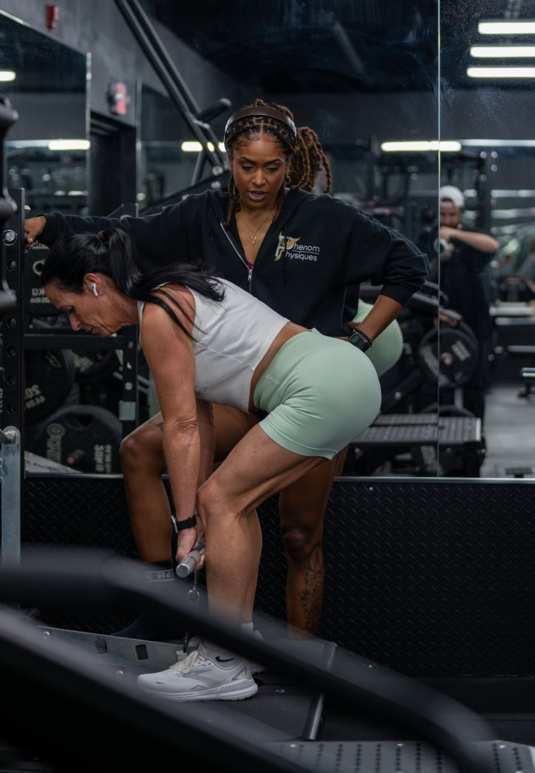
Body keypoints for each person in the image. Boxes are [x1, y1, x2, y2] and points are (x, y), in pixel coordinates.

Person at [25, 101, 426, 637]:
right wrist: (47, 224)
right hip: (245, 394)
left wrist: (359, 338)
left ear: (290, 163)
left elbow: (408, 265)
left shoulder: (325, 219)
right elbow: (120, 234)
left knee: (300, 535)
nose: (258, 180)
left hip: (308, 383)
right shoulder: (200, 216)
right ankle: (168, 605)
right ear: (228, 161)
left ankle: (295, 667)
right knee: (142, 452)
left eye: (271, 167)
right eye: (246, 165)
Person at [41, 227, 383, 701]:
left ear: (95, 284)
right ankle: (238, 643)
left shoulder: (160, 314)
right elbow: (197, 423)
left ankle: (223, 662)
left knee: (220, 501)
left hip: (323, 385)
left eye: (70, 311)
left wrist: (186, 523)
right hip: (343, 375)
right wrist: (198, 518)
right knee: (231, 503)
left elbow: (178, 428)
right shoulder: (174, 296)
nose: (75, 326)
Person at [438, 185, 499, 419]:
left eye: (452, 215)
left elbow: (492, 246)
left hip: (474, 322)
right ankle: (443, 444)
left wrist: (454, 234)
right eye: (443, 215)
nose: (447, 219)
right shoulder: (427, 236)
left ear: (461, 212)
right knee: (440, 383)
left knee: (475, 385)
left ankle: (473, 444)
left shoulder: (471, 236)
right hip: (440, 324)